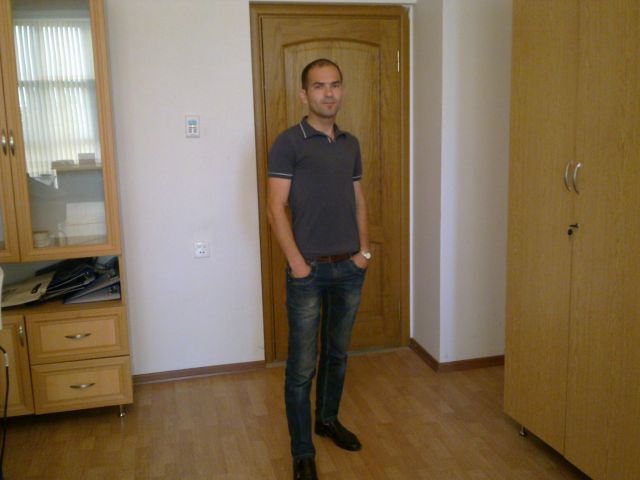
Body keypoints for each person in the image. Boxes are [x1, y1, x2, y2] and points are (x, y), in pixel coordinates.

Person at [267, 58, 372, 480]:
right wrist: (296, 263)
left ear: (342, 90)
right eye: (319, 86)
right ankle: (302, 452)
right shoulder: (288, 143)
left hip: (349, 268)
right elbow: (275, 206)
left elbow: (358, 199)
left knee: (337, 355)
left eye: (335, 84)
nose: (329, 93)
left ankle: (327, 420)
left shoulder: (350, 143)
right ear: (303, 94)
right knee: (301, 367)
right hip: (307, 272)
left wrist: (364, 252)